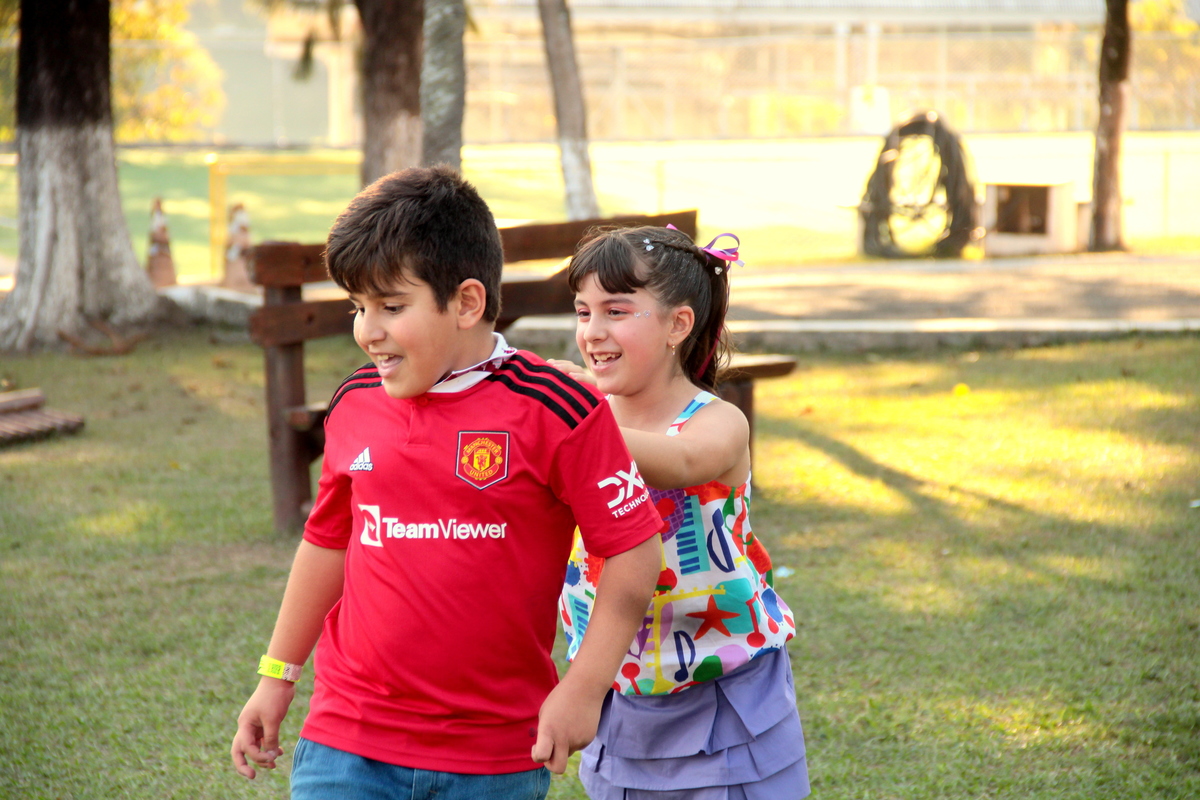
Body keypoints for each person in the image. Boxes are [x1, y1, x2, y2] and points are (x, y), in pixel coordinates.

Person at [230, 166, 663, 800]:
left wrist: (583, 686)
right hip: (347, 740)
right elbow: (327, 543)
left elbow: (634, 551)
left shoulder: (557, 408)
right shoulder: (354, 402)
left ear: (466, 302)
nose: (367, 330)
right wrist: (276, 675)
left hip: (495, 756)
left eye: (391, 306)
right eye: (358, 307)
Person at [549, 225, 810, 800]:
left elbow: (684, 460)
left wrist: (577, 424)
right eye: (583, 311)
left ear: (678, 324)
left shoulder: (716, 422)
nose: (593, 332)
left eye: (616, 311)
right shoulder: (586, 412)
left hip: (728, 693)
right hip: (619, 686)